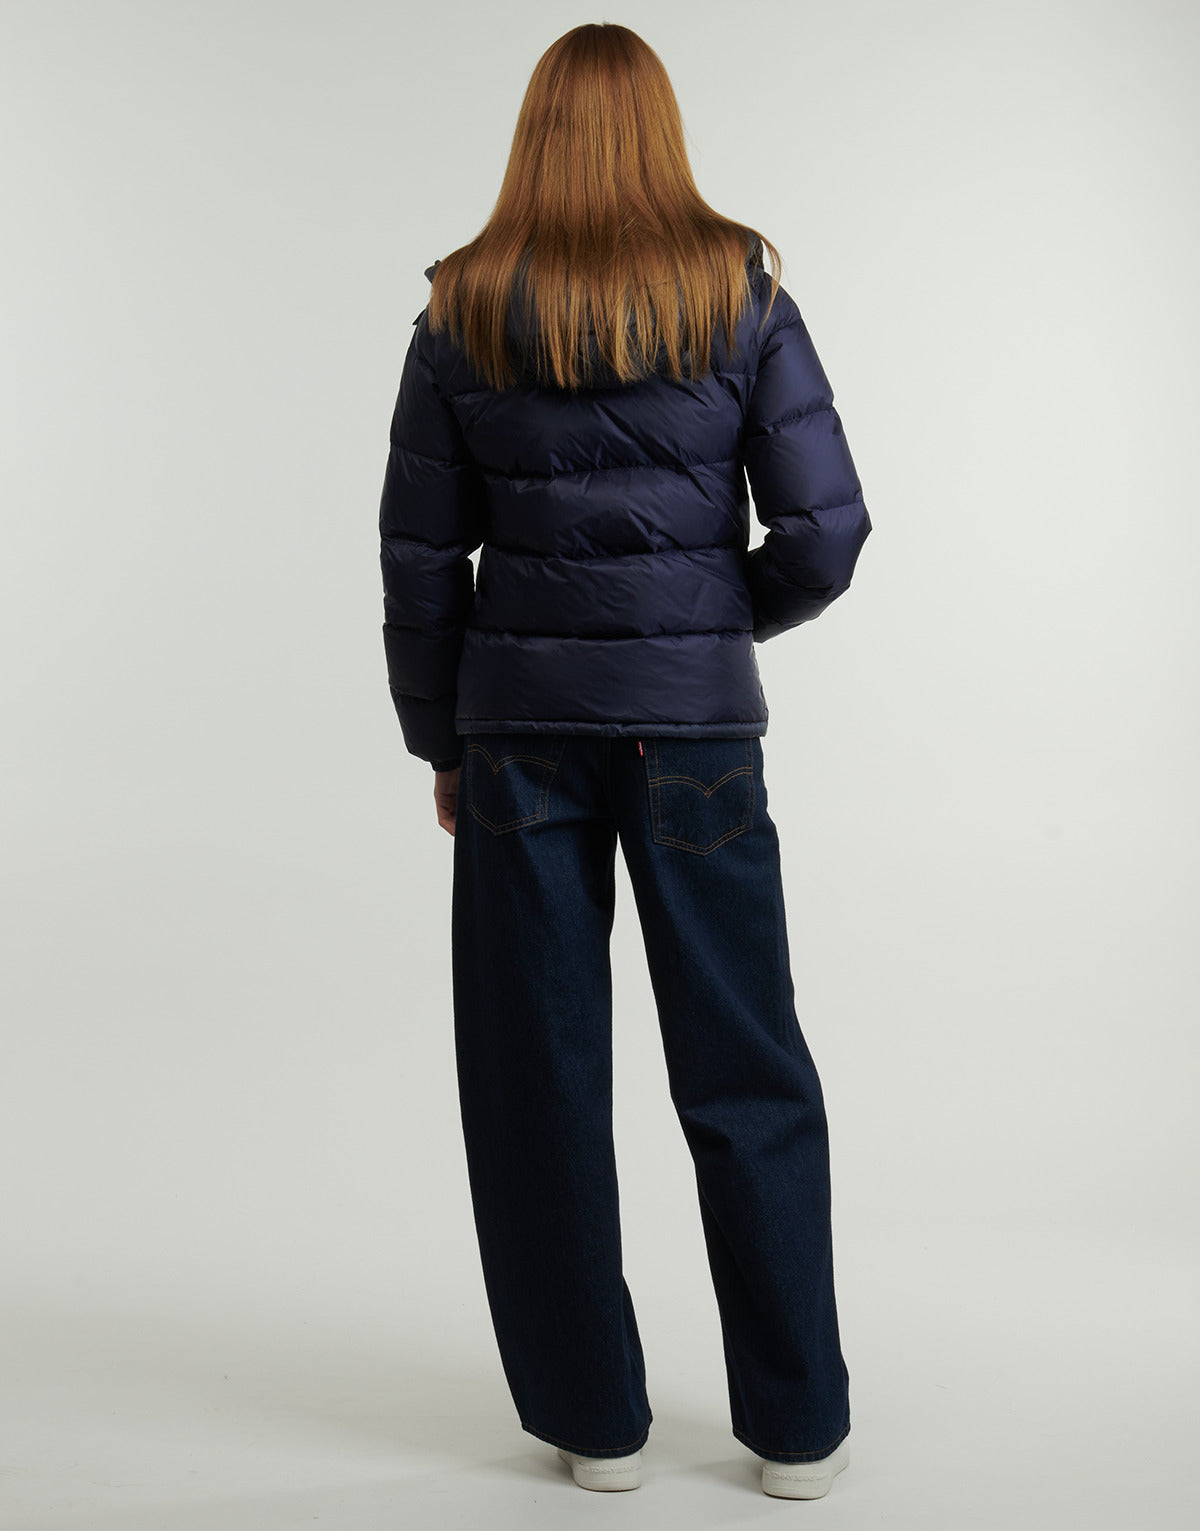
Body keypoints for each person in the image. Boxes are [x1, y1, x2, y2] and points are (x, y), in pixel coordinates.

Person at [377, 22, 872, 1500]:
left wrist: (438, 737)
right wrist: (707, 631)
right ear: (662, 132)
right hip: (697, 739)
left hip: (518, 740)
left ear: (535, 137)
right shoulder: (740, 291)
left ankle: (596, 1427)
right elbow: (826, 531)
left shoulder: (463, 307)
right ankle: (799, 1431)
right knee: (749, 1069)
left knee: (536, 1079)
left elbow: (420, 560)